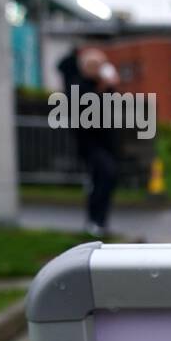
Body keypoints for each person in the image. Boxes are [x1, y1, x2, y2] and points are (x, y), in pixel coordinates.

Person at [57, 41, 119, 237]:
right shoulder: (78, 86)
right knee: (104, 175)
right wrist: (106, 88)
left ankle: (99, 222)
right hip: (89, 143)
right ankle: (94, 221)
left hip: (104, 142)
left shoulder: (96, 86)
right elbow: (92, 108)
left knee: (104, 179)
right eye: (97, 66)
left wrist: (109, 88)